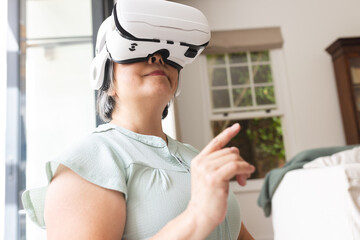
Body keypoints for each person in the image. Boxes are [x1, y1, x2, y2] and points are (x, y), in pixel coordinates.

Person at [22, 1, 256, 239]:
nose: (158, 58)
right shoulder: (90, 160)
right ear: (105, 78)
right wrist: (197, 216)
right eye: (136, 50)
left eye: (167, 54)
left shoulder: (196, 158)